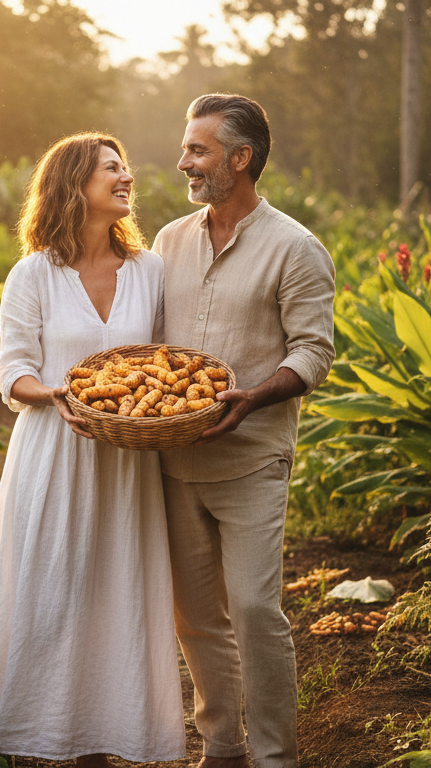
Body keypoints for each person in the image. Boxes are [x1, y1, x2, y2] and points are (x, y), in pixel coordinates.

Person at [0, 132, 185, 765]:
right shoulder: (33, 273)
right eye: (110, 169)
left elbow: (162, 361)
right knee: (52, 587)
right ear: (73, 186)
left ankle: (108, 728)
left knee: (117, 585)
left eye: (126, 168)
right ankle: (39, 726)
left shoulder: (151, 271)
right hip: (53, 449)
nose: (127, 177)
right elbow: (12, 369)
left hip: (126, 458)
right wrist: (55, 394)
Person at [152, 94, 336, 768]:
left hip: (253, 459)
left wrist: (253, 397)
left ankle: (275, 759)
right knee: (195, 619)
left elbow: (314, 351)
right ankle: (223, 749)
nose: (184, 162)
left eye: (197, 150)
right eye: (186, 148)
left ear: (241, 158)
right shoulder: (169, 240)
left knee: (256, 611)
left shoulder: (295, 248)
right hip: (174, 462)